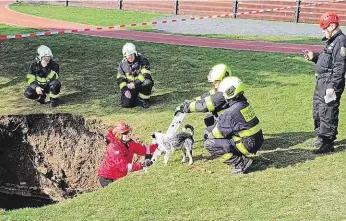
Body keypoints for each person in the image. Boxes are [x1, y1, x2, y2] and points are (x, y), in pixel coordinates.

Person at [303, 12, 346, 154]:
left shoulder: (340, 42)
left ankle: (327, 143)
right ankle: (321, 137)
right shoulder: (331, 41)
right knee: (318, 110)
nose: (323, 31)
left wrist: (332, 86)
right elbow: (326, 60)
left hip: (330, 83)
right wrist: (314, 57)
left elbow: (339, 67)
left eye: (324, 28)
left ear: (332, 26)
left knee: (328, 111)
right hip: (322, 82)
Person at [203, 76, 264, 175]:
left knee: (209, 144)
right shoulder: (244, 104)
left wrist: (209, 129)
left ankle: (241, 163)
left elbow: (218, 133)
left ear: (229, 91)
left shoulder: (231, 112)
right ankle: (243, 158)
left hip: (247, 144)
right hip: (256, 140)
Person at [98, 121, 157, 187]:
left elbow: (143, 150)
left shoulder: (130, 143)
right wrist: (142, 165)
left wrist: (157, 146)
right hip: (107, 177)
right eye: (125, 133)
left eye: (128, 132)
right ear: (118, 135)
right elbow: (123, 167)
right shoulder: (113, 147)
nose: (128, 134)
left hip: (119, 175)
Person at [116, 43, 154, 109]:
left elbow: (146, 75)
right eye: (128, 56)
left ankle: (143, 99)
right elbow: (120, 79)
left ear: (135, 53)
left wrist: (135, 83)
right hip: (130, 87)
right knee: (125, 104)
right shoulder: (122, 64)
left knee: (147, 82)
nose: (130, 58)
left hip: (140, 85)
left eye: (131, 55)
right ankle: (137, 99)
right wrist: (125, 90)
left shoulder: (143, 61)